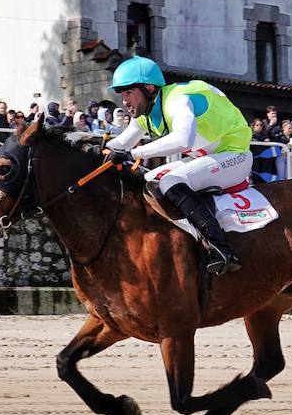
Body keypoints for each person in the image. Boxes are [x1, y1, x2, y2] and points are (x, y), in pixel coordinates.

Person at [104, 55, 251, 275]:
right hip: (205, 157)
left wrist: (133, 153)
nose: (124, 101)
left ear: (149, 88)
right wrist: (94, 148)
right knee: (148, 180)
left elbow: (183, 139)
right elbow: (120, 143)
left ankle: (221, 249)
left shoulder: (177, 100)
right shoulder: (145, 112)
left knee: (171, 181)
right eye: (122, 94)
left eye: (128, 93)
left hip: (235, 155)